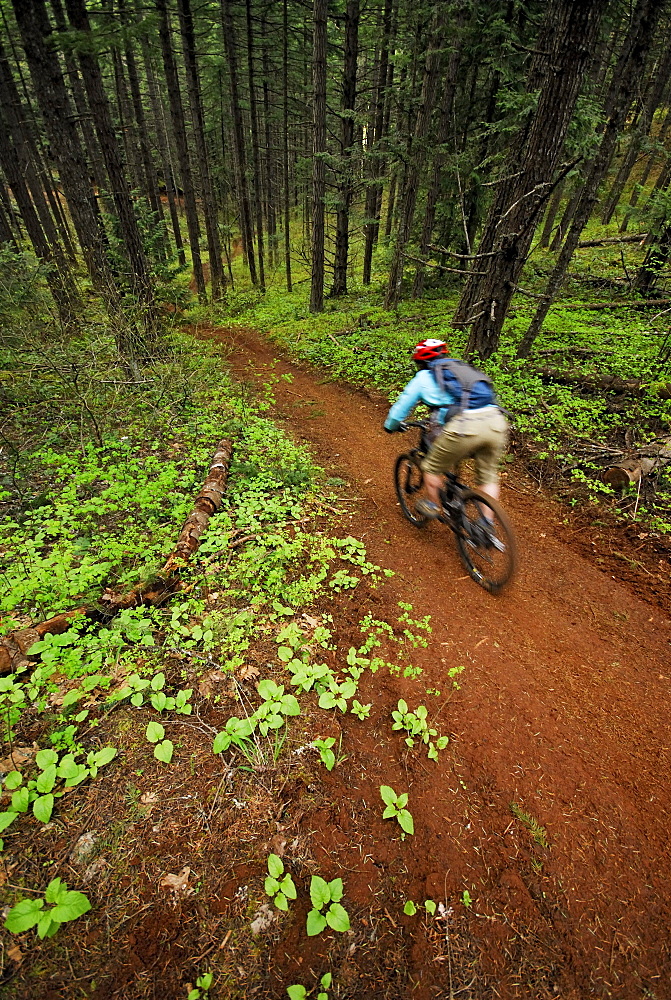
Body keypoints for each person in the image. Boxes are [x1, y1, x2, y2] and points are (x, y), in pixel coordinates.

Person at [383, 338, 509, 519]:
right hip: (496, 421)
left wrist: (391, 426)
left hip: (465, 426)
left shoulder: (424, 377)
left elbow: (400, 410)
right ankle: (486, 525)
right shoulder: (461, 369)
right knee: (488, 477)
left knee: (430, 466)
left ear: (421, 362)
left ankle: (433, 504)